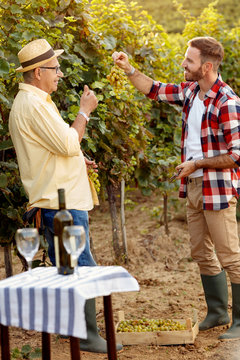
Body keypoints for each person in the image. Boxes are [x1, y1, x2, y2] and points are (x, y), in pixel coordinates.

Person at [112, 36, 240, 340]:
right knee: (201, 252)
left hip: (217, 188)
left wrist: (197, 164)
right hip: (194, 188)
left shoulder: (227, 101)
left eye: (189, 61)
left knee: (230, 256)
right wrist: (129, 69)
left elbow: (237, 155)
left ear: (207, 66)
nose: (183, 64)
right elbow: (154, 90)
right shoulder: (192, 91)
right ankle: (218, 312)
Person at [9, 38, 122, 353]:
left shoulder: (37, 101)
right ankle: (86, 335)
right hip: (60, 203)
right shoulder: (33, 104)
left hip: (60, 199)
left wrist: (77, 159)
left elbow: (58, 147)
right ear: (37, 72)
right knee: (81, 266)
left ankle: (73, 330)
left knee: (68, 266)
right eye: (54, 68)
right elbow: (69, 142)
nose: (59, 73)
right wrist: (84, 112)